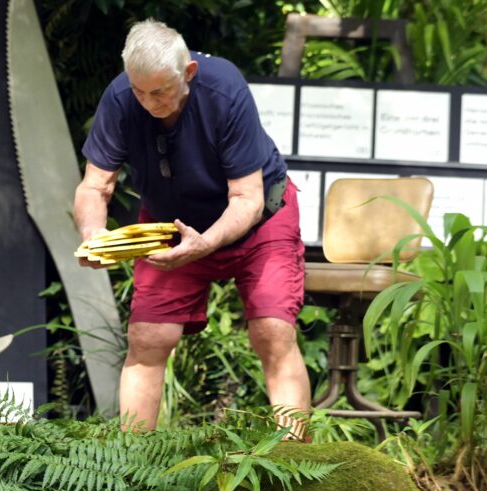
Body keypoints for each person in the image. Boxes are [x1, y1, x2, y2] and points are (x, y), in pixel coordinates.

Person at [73, 19, 310, 437]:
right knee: (147, 338)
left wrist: (205, 244)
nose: (148, 102)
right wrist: (94, 238)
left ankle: (296, 459)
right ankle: (133, 465)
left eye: (160, 92)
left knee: (272, 331)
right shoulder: (121, 98)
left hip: (260, 219)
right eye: (139, 91)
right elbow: (95, 186)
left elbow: (247, 199)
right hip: (171, 221)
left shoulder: (224, 90)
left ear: (188, 74)